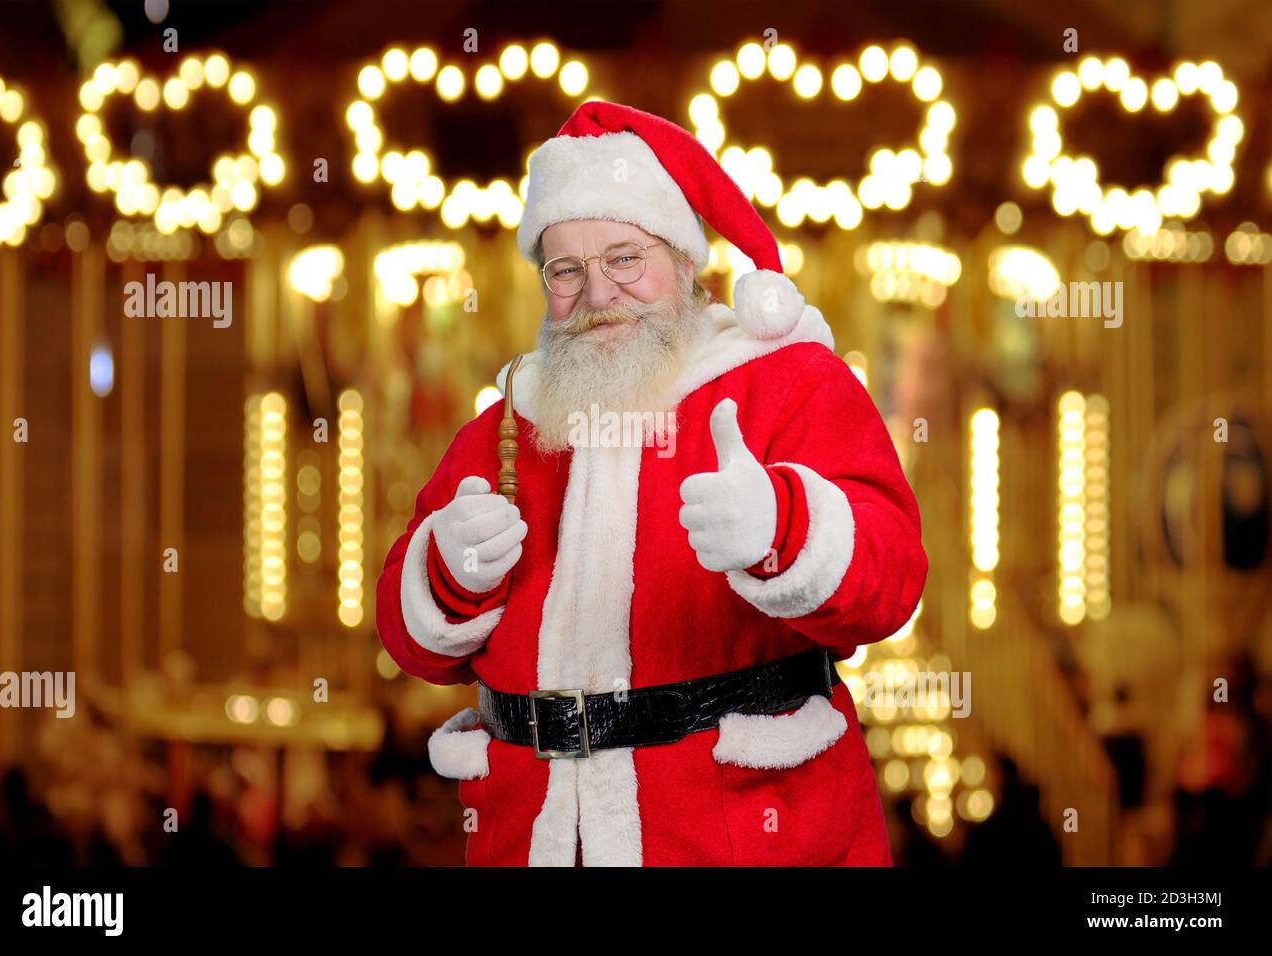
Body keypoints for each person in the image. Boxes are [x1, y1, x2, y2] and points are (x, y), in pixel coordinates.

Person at [376, 100, 927, 866]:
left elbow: (892, 577)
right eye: (566, 270)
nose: (598, 295)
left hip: (747, 840)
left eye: (625, 259)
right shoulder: (503, 428)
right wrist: (444, 571)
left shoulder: (790, 384)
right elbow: (409, 639)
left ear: (685, 261)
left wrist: (782, 527)